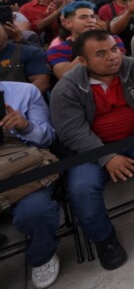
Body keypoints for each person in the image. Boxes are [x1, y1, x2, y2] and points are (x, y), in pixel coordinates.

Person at [50, 30, 134, 270]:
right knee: (81, 188)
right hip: (92, 150)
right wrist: (106, 156)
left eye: (114, 49)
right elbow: (72, 131)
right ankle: (104, 238)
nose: (112, 57)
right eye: (101, 54)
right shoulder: (66, 88)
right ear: (83, 61)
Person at [0, 81, 60, 288]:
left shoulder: (23, 91)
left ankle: (42, 255)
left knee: (35, 210)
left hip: (21, 165)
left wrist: (25, 126)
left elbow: (48, 137)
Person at [47, 1, 126, 80]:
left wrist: (103, 39)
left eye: (92, 16)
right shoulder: (57, 50)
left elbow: (122, 66)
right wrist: (89, 45)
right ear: (68, 23)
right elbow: (63, 75)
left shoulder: (113, 39)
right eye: (83, 17)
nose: (91, 20)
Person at [0, 22, 52, 94]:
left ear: (6, 31)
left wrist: (17, 100)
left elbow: (42, 84)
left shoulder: (30, 53)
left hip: (23, 102)